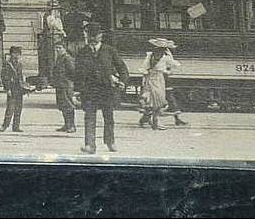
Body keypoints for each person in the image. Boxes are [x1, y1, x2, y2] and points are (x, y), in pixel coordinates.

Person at [73, 23, 129, 154]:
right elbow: (78, 73)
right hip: (89, 90)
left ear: (100, 36)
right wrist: (77, 90)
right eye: (90, 36)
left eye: (95, 36)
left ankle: (110, 141)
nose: (92, 39)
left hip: (107, 90)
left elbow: (122, 67)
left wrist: (123, 81)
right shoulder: (82, 52)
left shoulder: (109, 50)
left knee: (108, 116)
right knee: (89, 117)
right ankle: (90, 145)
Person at [138, 38, 188, 129]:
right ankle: (154, 122)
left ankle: (150, 120)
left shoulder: (164, 57)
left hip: (159, 79)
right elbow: (145, 68)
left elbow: (173, 65)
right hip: (152, 79)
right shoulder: (151, 56)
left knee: (158, 100)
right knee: (154, 100)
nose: (160, 51)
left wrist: (168, 65)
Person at [0, 46, 33, 133]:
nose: (18, 56)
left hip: (19, 89)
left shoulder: (19, 64)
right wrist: (7, 89)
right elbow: (4, 78)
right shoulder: (7, 64)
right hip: (12, 88)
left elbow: (21, 77)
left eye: (18, 54)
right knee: (10, 109)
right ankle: (5, 125)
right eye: (16, 53)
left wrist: (25, 87)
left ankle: (16, 126)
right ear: (12, 54)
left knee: (18, 109)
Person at [50, 40, 78, 133]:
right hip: (60, 85)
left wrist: (68, 82)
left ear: (65, 49)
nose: (58, 50)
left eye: (60, 48)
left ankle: (72, 126)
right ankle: (67, 125)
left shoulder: (67, 58)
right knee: (62, 106)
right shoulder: (59, 58)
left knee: (68, 105)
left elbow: (73, 72)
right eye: (56, 48)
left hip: (66, 85)